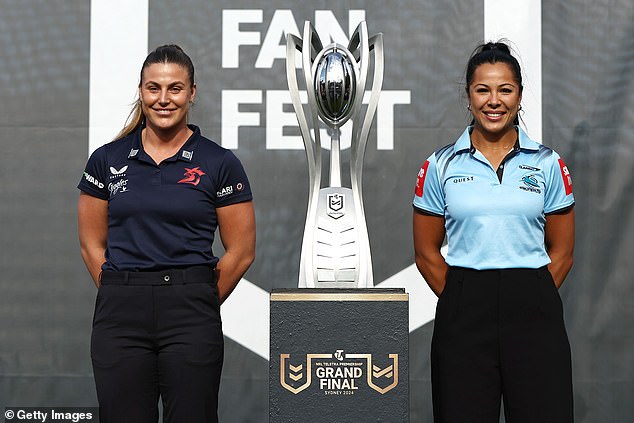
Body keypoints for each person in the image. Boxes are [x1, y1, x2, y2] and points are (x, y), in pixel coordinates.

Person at [78, 44, 255, 423]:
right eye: (153, 88)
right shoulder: (107, 159)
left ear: (192, 93)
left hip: (191, 311)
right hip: (121, 314)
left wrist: (196, 297)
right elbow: (91, 244)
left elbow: (241, 251)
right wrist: (121, 290)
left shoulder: (219, 162)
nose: (163, 99)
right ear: (140, 91)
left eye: (175, 88)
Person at [412, 41, 575, 423]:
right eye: (482, 89)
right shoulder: (439, 165)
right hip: (464, 316)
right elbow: (426, 252)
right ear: (468, 96)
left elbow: (563, 251)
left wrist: (527, 295)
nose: (494, 101)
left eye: (505, 90)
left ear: (519, 95)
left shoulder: (549, 164)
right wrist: (465, 297)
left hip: (534, 315)